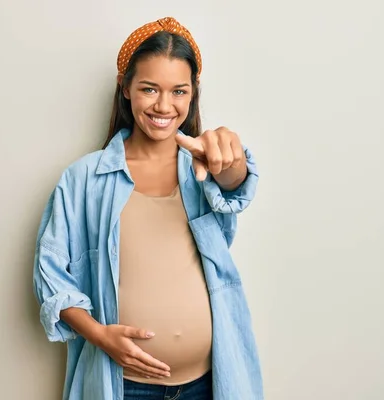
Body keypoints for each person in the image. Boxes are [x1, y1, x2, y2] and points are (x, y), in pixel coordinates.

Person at [33, 17, 263, 400]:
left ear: (193, 95)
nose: (163, 105)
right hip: (127, 387)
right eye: (149, 89)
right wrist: (100, 336)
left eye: (178, 91)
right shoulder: (84, 179)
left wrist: (232, 159)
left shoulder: (202, 168)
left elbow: (235, 184)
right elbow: (51, 275)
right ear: (126, 88)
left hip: (210, 383)